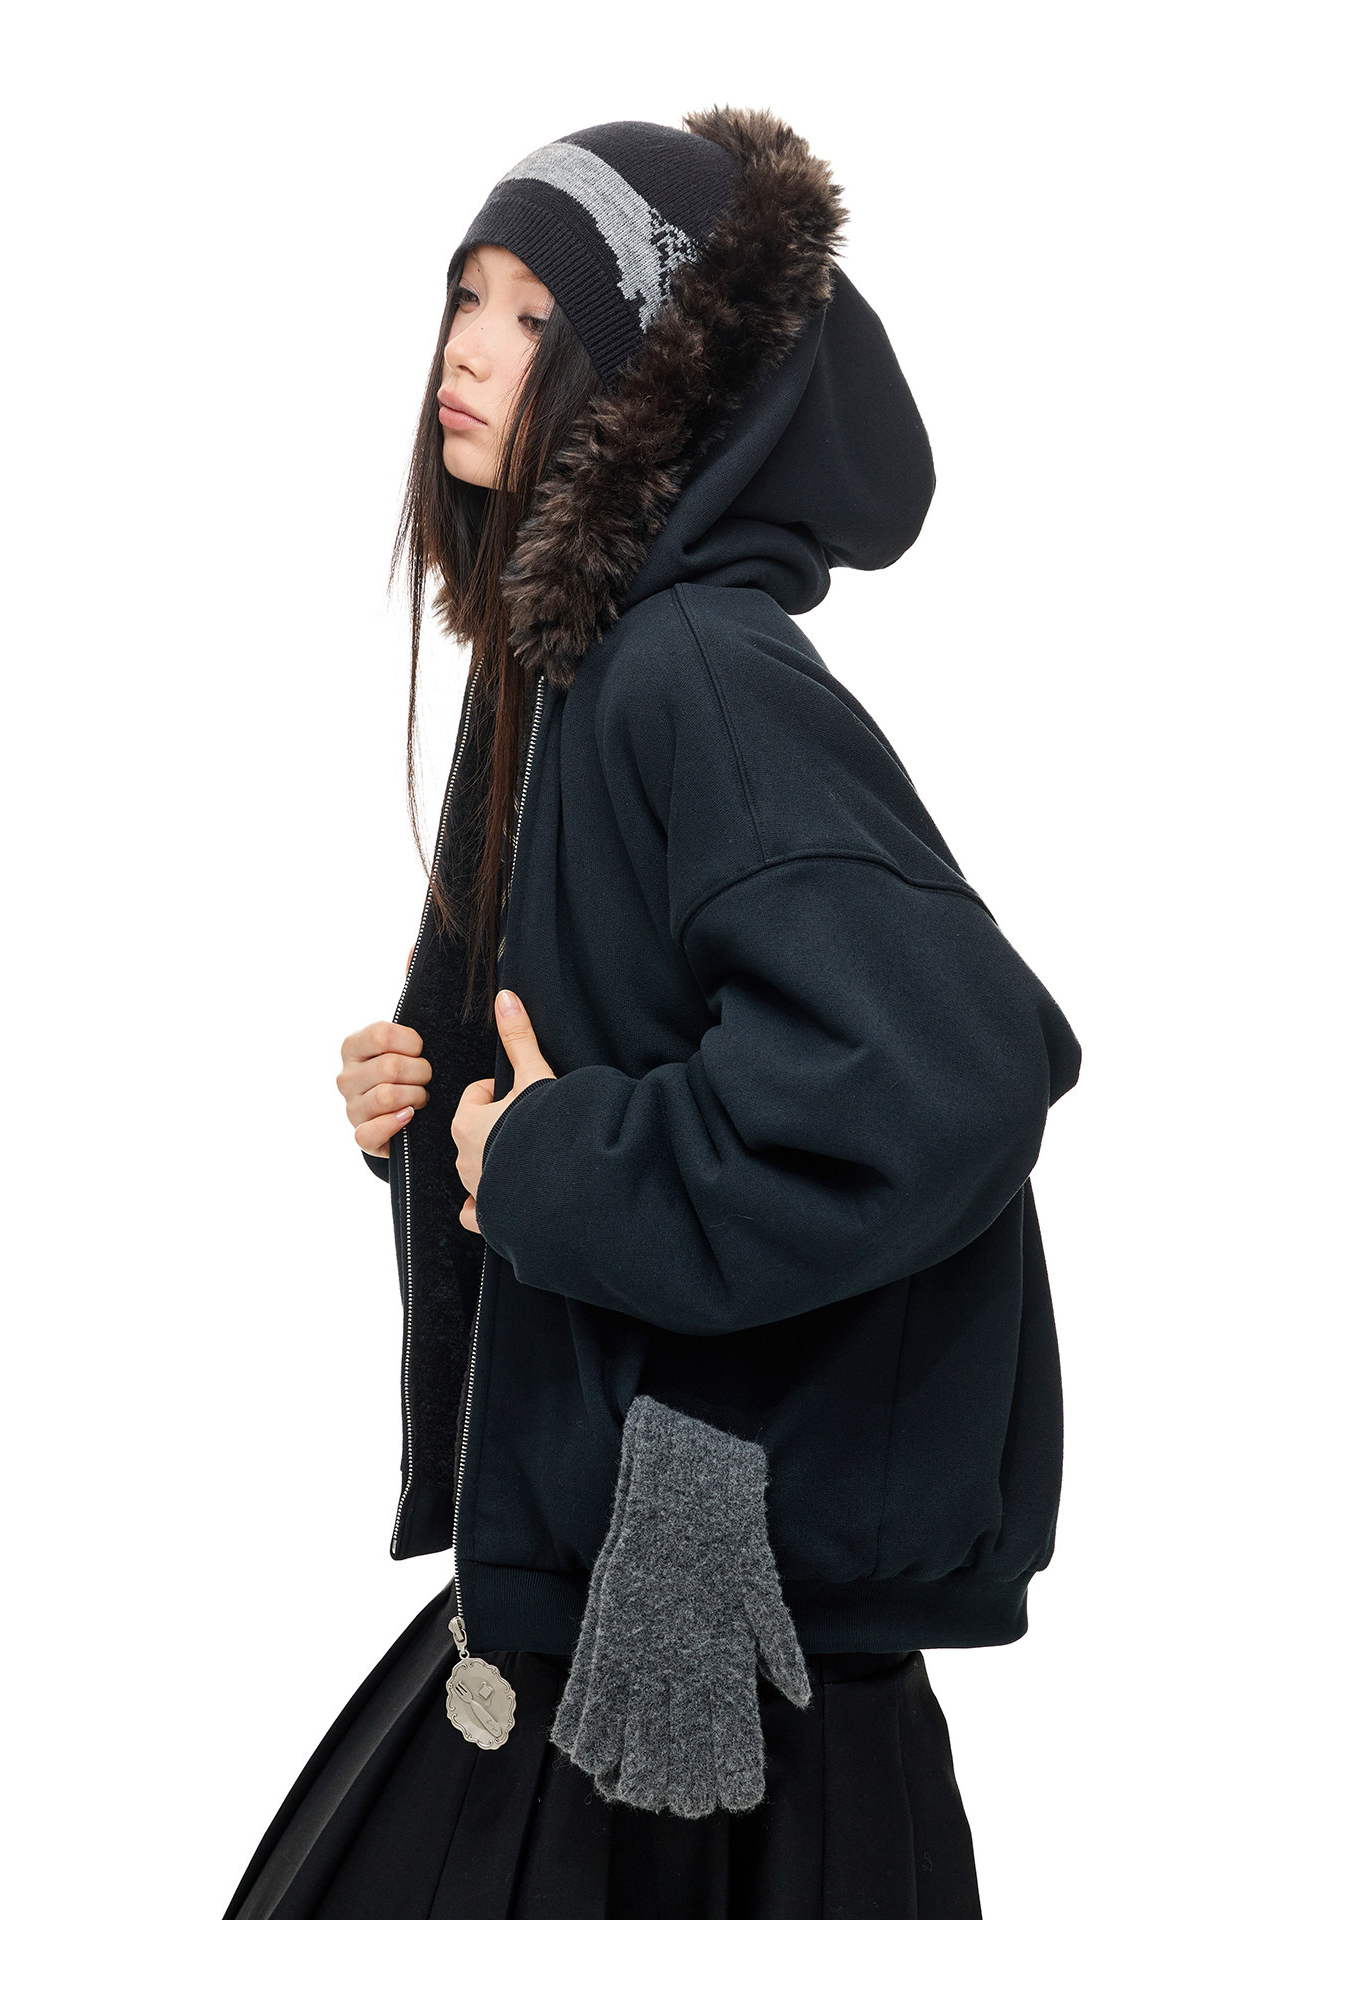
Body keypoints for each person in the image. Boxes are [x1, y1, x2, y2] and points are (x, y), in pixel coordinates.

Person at [225, 106, 1082, 1921]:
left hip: (717, 1652)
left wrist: (550, 1158)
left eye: (536, 314)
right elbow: (648, 1049)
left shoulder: (695, 668)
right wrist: (446, 1111)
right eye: (465, 294)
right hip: (626, 1583)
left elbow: (943, 1072)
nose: (466, 350)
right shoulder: (567, 672)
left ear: (645, 389)